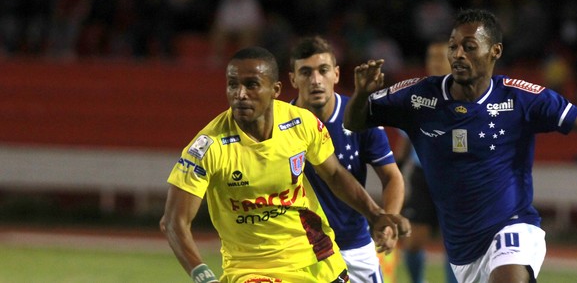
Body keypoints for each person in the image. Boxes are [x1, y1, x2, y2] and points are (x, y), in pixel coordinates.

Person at [344, 9, 577, 283]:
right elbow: (355, 122)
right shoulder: (419, 97)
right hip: (463, 249)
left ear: (495, 51)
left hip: (513, 225)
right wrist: (360, 95)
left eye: (469, 47)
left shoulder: (520, 98)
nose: (458, 55)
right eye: (453, 47)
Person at [159, 46, 410, 283]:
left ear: (276, 89)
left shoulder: (301, 123)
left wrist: (375, 215)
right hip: (253, 270)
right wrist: (203, 276)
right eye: (233, 85)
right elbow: (173, 222)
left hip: (317, 259)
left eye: (252, 85)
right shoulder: (208, 146)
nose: (240, 94)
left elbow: (334, 174)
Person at [288, 36, 406, 283]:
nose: (316, 80)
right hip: (299, 252)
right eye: (306, 72)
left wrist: (388, 220)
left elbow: (392, 176)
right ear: (293, 79)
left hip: (354, 248)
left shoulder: (360, 119)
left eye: (323, 70)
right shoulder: (281, 125)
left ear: (337, 74)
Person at [396, 40, 458, 283]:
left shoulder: (466, 94)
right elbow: (404, 143)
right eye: (430, 57)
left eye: (440, 56)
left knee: (455, 243)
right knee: (412, 242)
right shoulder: (417, 97)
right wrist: (395, 176)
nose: (434, 62)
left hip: (456, 178)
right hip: (423, 176)